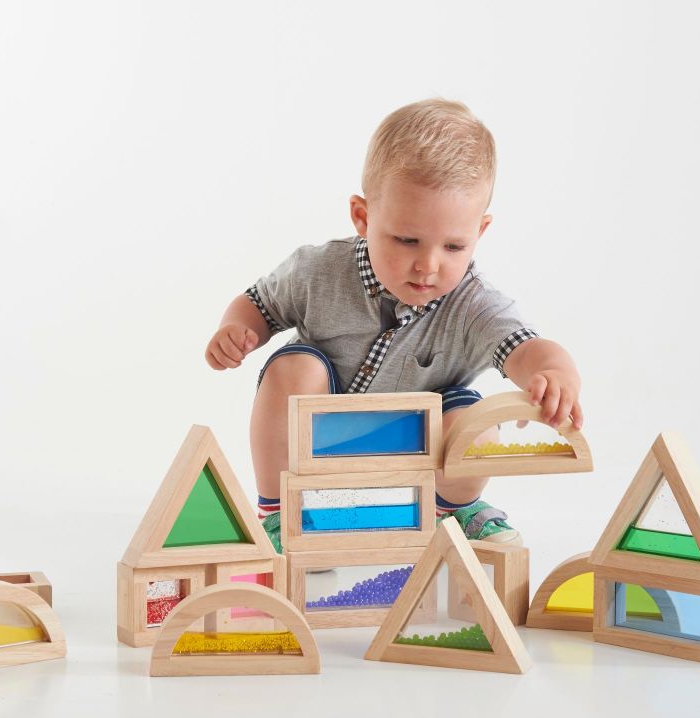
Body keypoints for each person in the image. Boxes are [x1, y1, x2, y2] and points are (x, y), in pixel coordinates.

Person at [205, 98, 583, 552]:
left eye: (453, 246)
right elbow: (257, 304)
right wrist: (236, 329)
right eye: (407, 240)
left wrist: (555, 376)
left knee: (476, 424)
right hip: (322, 438)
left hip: (419, 449)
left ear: (479, 233)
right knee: (292, 369)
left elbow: (527, 348)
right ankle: (281, 511)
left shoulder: (474, 303)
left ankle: (451, 511)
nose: (428, 264)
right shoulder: (317, 271)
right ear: (364, 218)